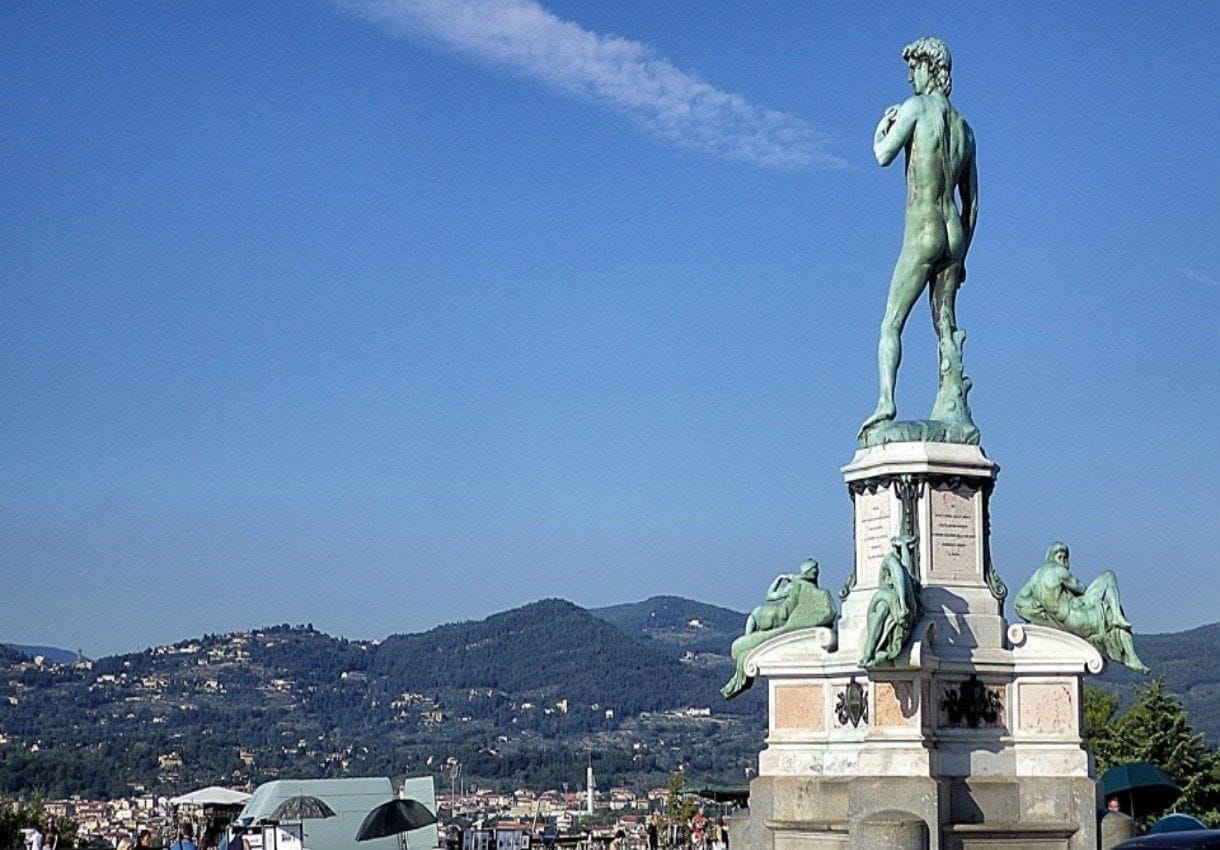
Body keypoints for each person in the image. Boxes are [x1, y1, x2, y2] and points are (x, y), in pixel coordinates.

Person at [859, 37, 979, 438]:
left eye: (915, 67)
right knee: (945, 326)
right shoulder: (965, 130)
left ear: (932, 68)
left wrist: (883, 126)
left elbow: (882, 155)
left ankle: (885, 402)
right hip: (954, 233)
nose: (911, 76)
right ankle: (953, 405)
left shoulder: (915, 109)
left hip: (923, 231)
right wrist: (963, 256)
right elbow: (973, 203)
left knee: (890, 322)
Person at [1014, 542, 1148, 673]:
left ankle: (1121, 628)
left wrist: (1042, 613)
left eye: (1065, 558)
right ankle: (1130, 653)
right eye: (1061, 557)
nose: (1064, 561)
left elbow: (1019, 602)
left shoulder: (1037, 575)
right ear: (1052, 557)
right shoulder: (1059, 571)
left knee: (1109, 609)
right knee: (1108, 577)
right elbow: (1082, 588)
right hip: (1076, 618)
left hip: (1063, 619)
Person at [859, 534, 921, 667]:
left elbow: (905, 573)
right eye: (907, 547)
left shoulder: (902, 565)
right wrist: (903, 604)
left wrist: (903, 547)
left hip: (899, 603)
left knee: (886, 611)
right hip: (885, 598)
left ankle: (877, 652)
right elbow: (898, 574)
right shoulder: (890, 560)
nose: (909, 550)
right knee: (882, 610)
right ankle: (869, 652)